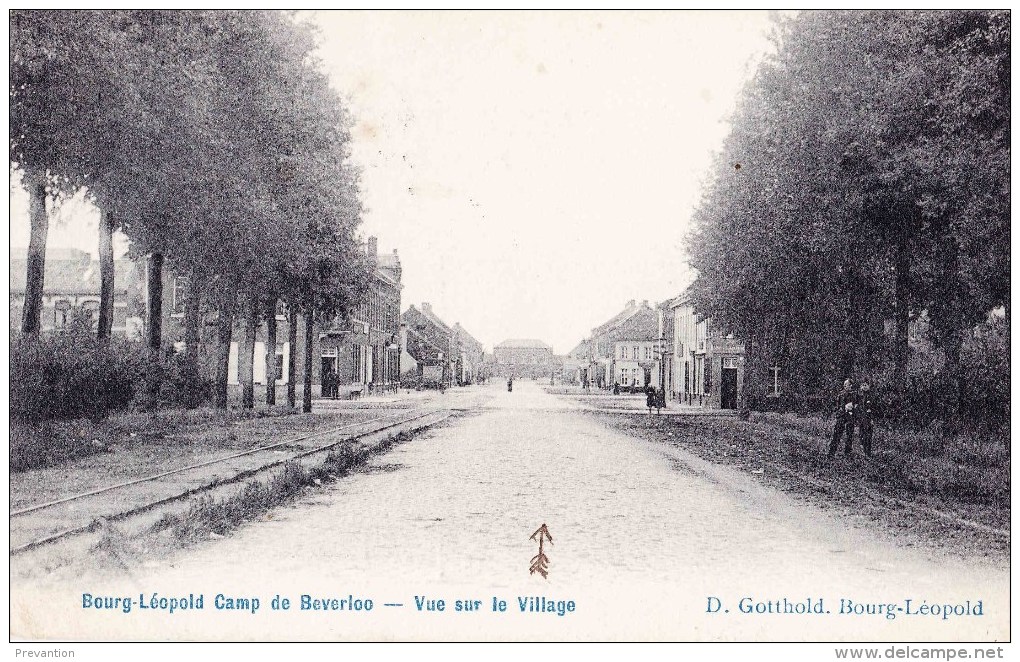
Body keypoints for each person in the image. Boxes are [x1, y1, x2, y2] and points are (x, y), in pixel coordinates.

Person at [828, 378, 856, 457]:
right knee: (837, 434)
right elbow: (837, 405)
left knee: (849, 435)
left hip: (850, 417)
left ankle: (848, 453)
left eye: (846, 384)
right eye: (844, 384)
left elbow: (857, 405)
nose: (844, 386)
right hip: (841, 416)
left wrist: (853, 408)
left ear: (850, 385)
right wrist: (842, 409)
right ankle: (831, 453)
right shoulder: (841, 394)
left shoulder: (855, 394)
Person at [857, 380, 875, 457]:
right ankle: (864, 452)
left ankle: (868, 453)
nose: (864, 386)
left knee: (868, 436)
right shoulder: (859, 396)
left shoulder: (871, 396)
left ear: (869, 386)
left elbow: (874, 408)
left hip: (868, 419)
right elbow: (857, 407)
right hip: (861, 418)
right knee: (861, 435)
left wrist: (872, 419)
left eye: (866, 385)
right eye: (863, 385)